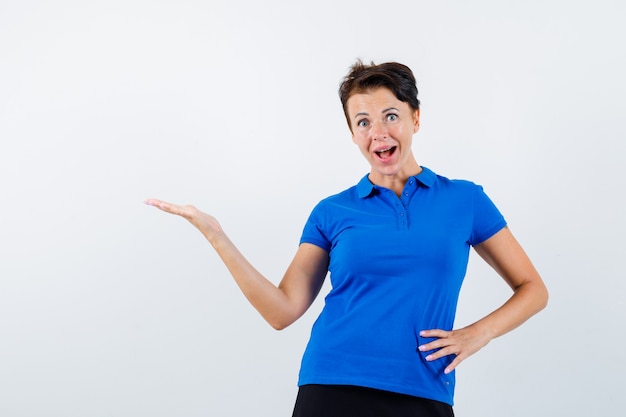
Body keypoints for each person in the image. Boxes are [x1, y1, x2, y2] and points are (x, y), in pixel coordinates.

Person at [145, 60, 548, 417]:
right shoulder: (332, 212)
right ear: (353, 134)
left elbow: (533, 289)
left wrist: (479, 333)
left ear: (416, 119)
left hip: (422, 388)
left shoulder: (465, 200)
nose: (378, 133)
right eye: (363, 122)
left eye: (391, 116)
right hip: (332, 385)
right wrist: (217, 236)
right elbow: (282, 311)